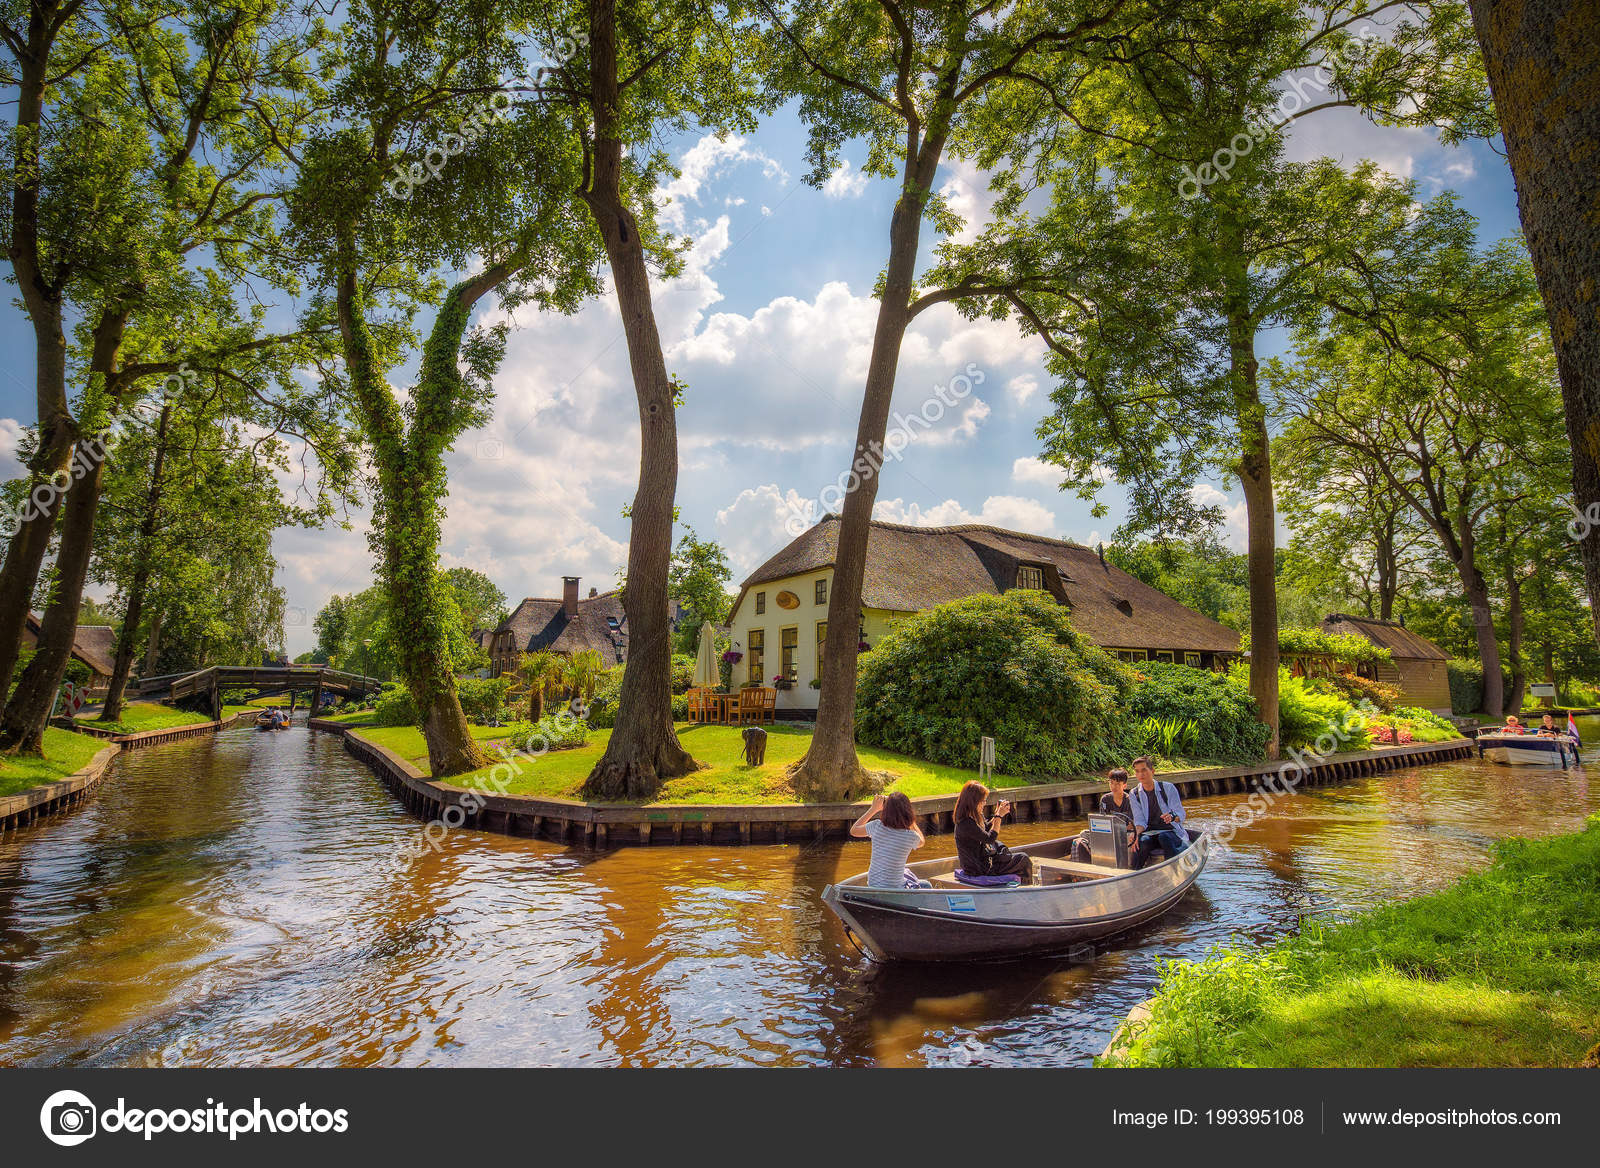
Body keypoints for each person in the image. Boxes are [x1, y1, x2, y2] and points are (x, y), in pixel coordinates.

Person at [953, 781, 1034, 884]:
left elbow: (984, 830)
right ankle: (1028, 890)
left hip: (983, 863)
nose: (984, 803)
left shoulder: (971, 817)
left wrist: (996, 814)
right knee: (1023, 859)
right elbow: (989, 838)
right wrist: (999, 817)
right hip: (979, 868)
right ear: (973, 801)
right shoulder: (966, 823)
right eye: (982, 801)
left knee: (1012, 857)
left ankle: (1021, 885)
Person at [849, 791, 928, 889]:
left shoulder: (876, 826)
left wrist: (873, 809)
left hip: (873, 885)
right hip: (896, 888)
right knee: (926, 884)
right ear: (908, 811)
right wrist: (910, 821)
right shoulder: (911, 836)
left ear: (886, 810)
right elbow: (921, 842)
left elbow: (853, 831)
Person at [1129, 757, 1188, 869]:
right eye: (1137, 771)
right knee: (1142, 842)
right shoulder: (1134, 793)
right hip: (1150, 833)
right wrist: (1135, 834)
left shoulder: (1168, 788)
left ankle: (1174, 870)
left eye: (1144, 770)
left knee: (1164, 837)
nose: (1141, 774)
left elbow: (1180, 813)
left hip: (1170, 831)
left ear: (1152, 771)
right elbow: (1140, 820)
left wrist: (1172, 816)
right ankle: (1134, 873)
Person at [1071, 768, 1138, 863]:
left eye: (1118, 784)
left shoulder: (1130, 800)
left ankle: (1127, 864)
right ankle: (1089, 853)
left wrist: (1117, 830)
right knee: (1083, 833)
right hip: (1107, 832)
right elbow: (1102, 820)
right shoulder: (1105, 799)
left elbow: (1132, 825)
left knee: (1130, 837)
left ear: (1124, 785)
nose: (1114, 786)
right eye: (1111, 783)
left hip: (1124, 833)